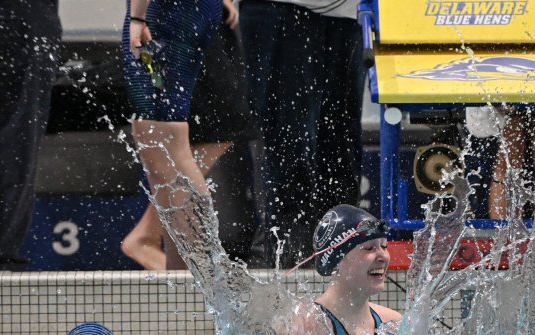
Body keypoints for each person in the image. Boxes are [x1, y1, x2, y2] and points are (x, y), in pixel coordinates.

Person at [121, 0, 251, 270]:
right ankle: (193, 279)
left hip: (164, 13)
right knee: (169, 142)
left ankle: (198, 283)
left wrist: (138, 17)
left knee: (162, 140)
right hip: (193, 12)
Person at [239, 0, 366, 269]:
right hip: (279, 9)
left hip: (348, 15)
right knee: (288, 147)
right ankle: (285, 265)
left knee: (340, 154)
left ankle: (341, 259)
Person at [0, 0, 61, 271]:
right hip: (23, 20)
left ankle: (3, 253)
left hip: (24, 19)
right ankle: (3, 255)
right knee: (16, 142)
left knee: (17, 142)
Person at [293, 204, 402, 335]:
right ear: (337, 260)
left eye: (384, 246)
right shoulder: (308, 328)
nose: (383, 257)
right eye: (369, 248)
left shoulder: (392, 324)